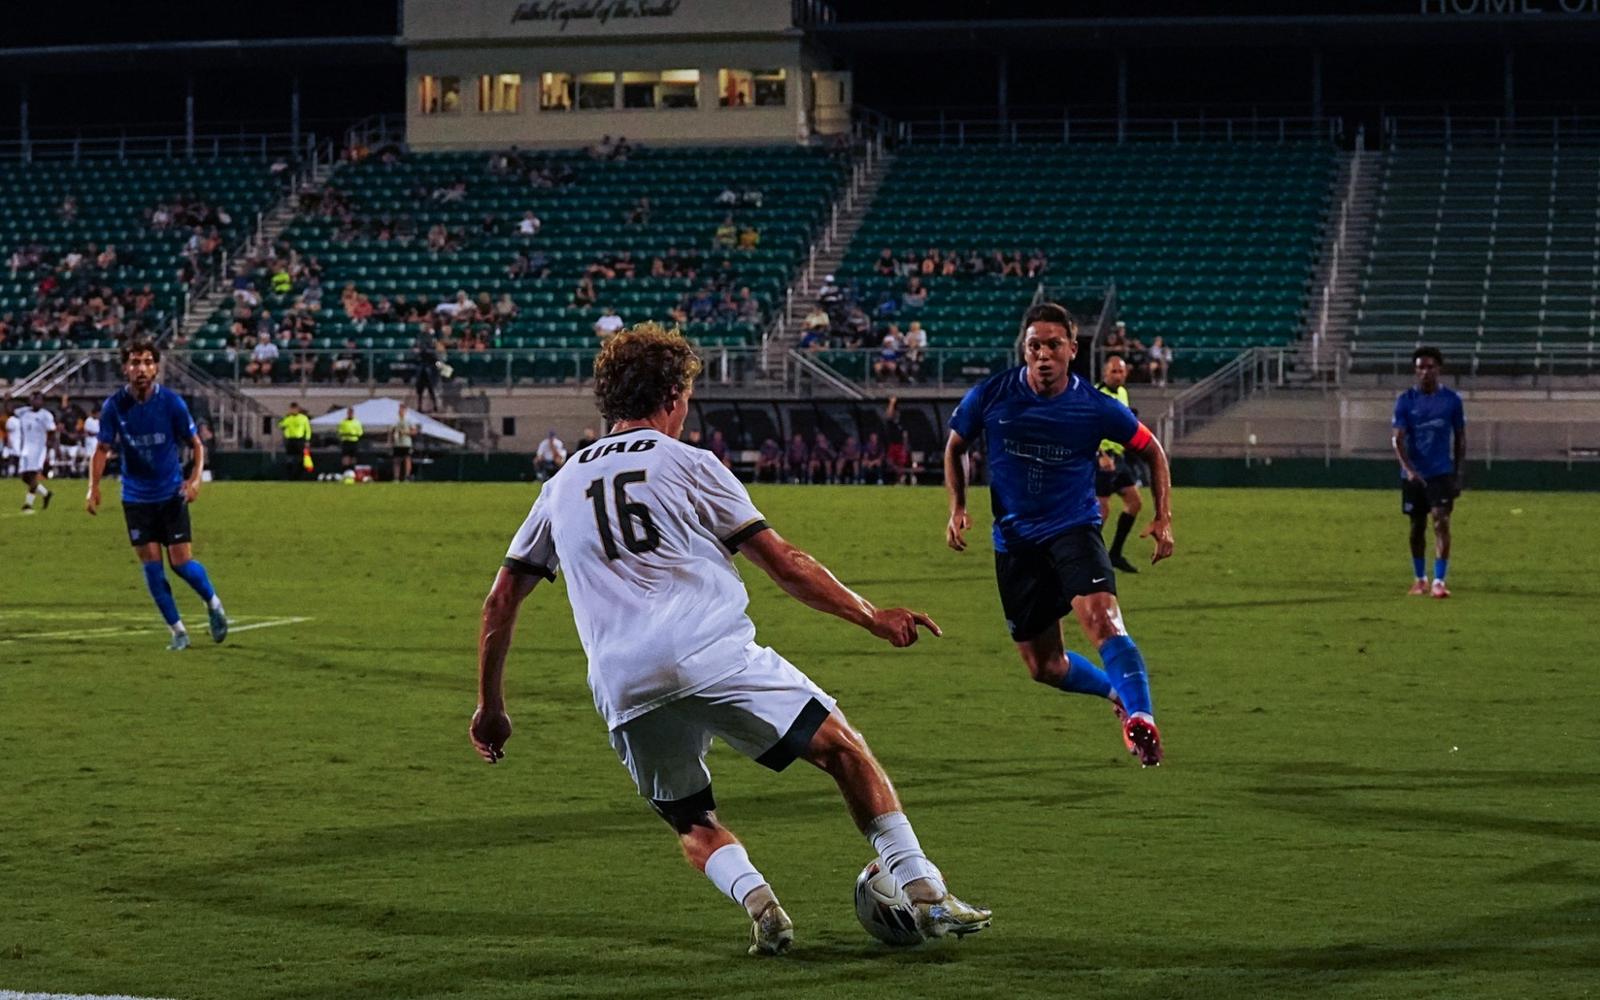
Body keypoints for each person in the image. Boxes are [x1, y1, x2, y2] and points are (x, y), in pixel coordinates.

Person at [469, 323, 990, 955]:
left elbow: (501, 600)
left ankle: (762, 905)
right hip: (709, 655)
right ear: (669, 397)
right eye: (686, 396)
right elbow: (784, 562)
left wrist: (491, 707)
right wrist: (871, 615)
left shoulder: (558, 486)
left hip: (622, 683)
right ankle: (925, 891)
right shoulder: (688, 463)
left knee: (691, 819)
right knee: (843, 751)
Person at [943, 302, 1174, 767]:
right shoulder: (992, 395)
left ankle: (1142, 716)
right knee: (1044, 667)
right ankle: (1117, 694)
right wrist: (958, 507)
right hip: (1016, 545)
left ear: (1072, 349)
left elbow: (1153, 451)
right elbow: (955, 447)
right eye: (1034, 346)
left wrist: (1163, 516)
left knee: (1104, 621)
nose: (1043, 355)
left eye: (1053, 345)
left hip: (1073, 529)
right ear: (1023, 351)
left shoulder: (1094, 406)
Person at [85, 339, 229, 651]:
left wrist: (195, 479)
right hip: (136, 498)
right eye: (135, 362)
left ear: (156, 368)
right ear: (125, 368)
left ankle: (213, 603)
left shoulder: (172, 403)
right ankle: (178, 631)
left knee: (181, 563)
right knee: (152, 567)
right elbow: (102, 449)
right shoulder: (114, 406)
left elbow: (197, 444)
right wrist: (93, 488)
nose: (141, 369)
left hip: (169, 495)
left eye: (147, 362)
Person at [1393, 346, 1465, 598]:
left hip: (1441, 472)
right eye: (1421, 367)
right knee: (1416, 527)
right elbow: (1398, 440)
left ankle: (1439, 581)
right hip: (1414, 475)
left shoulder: (1452, 401)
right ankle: (1419, 578)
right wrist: (1408, 469)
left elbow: (1460, 438)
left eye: (1430, 366)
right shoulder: (1405, 401)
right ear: (1415, 371)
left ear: (1439, 369)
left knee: (1441, 521)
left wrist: (1458, 474)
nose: (1426, 371)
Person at [1094, 355, 1144, 575]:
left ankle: (1114, 553)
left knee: (1134, 502)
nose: (1117, 375)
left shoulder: (1123, 393)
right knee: (1101, 510)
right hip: (1100, 459)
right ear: (1105, 373)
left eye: (1121, 371)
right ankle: (1083, 557)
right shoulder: (1097, 394)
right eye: (1113, 371)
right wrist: (1100, 455)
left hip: (1119, 457)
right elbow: (1086, 427)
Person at [13, 392, 56, 514]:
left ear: (42, 402)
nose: (36, 402)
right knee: (24, 477)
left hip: (38, 449)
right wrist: (6, 400)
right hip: (26, 448)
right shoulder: (24, 412)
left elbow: (52, 431)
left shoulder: (46, 415)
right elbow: (10, 411)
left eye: (38, 400)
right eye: (33, 399)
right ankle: (46, 494)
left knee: (32, 475)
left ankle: (28, 505)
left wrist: (49, 448)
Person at [279, 403, 311, 481]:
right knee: (289, 459)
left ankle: (299, 476)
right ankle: (290, 477)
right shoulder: (288, 418)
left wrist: (307, 440)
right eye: (291, 409)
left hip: (299, 440)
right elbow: (281, 425)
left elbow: (308, 430)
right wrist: (285, 419)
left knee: (301, 459)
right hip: (290, 440)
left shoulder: (303, 418)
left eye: (294, 409)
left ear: (298, 409)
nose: (293, 411)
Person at [391, 403, 418, 482]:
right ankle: (396, 478)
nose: (401, 410)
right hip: (397, 443)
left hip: (406, 443)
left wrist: (406, 432)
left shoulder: (409, 419)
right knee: (396, 460)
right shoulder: (395, 419)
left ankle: (407, 477)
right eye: (400, 408)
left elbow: (414, 431)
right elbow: (392, 430)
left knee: (407, 459)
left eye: (402, 409)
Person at [337, 407, 364, 471]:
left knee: (353, 457)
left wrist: (353, 434)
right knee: (345, 457)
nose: (350, 414)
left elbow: (360, 432)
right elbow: (340, 431)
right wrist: (346, 434)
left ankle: (352, 470)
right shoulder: (343, 422)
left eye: (351, 413)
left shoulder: (357, 422)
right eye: (349, 412)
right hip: (346, 441)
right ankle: (345, 471)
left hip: (354, 441)